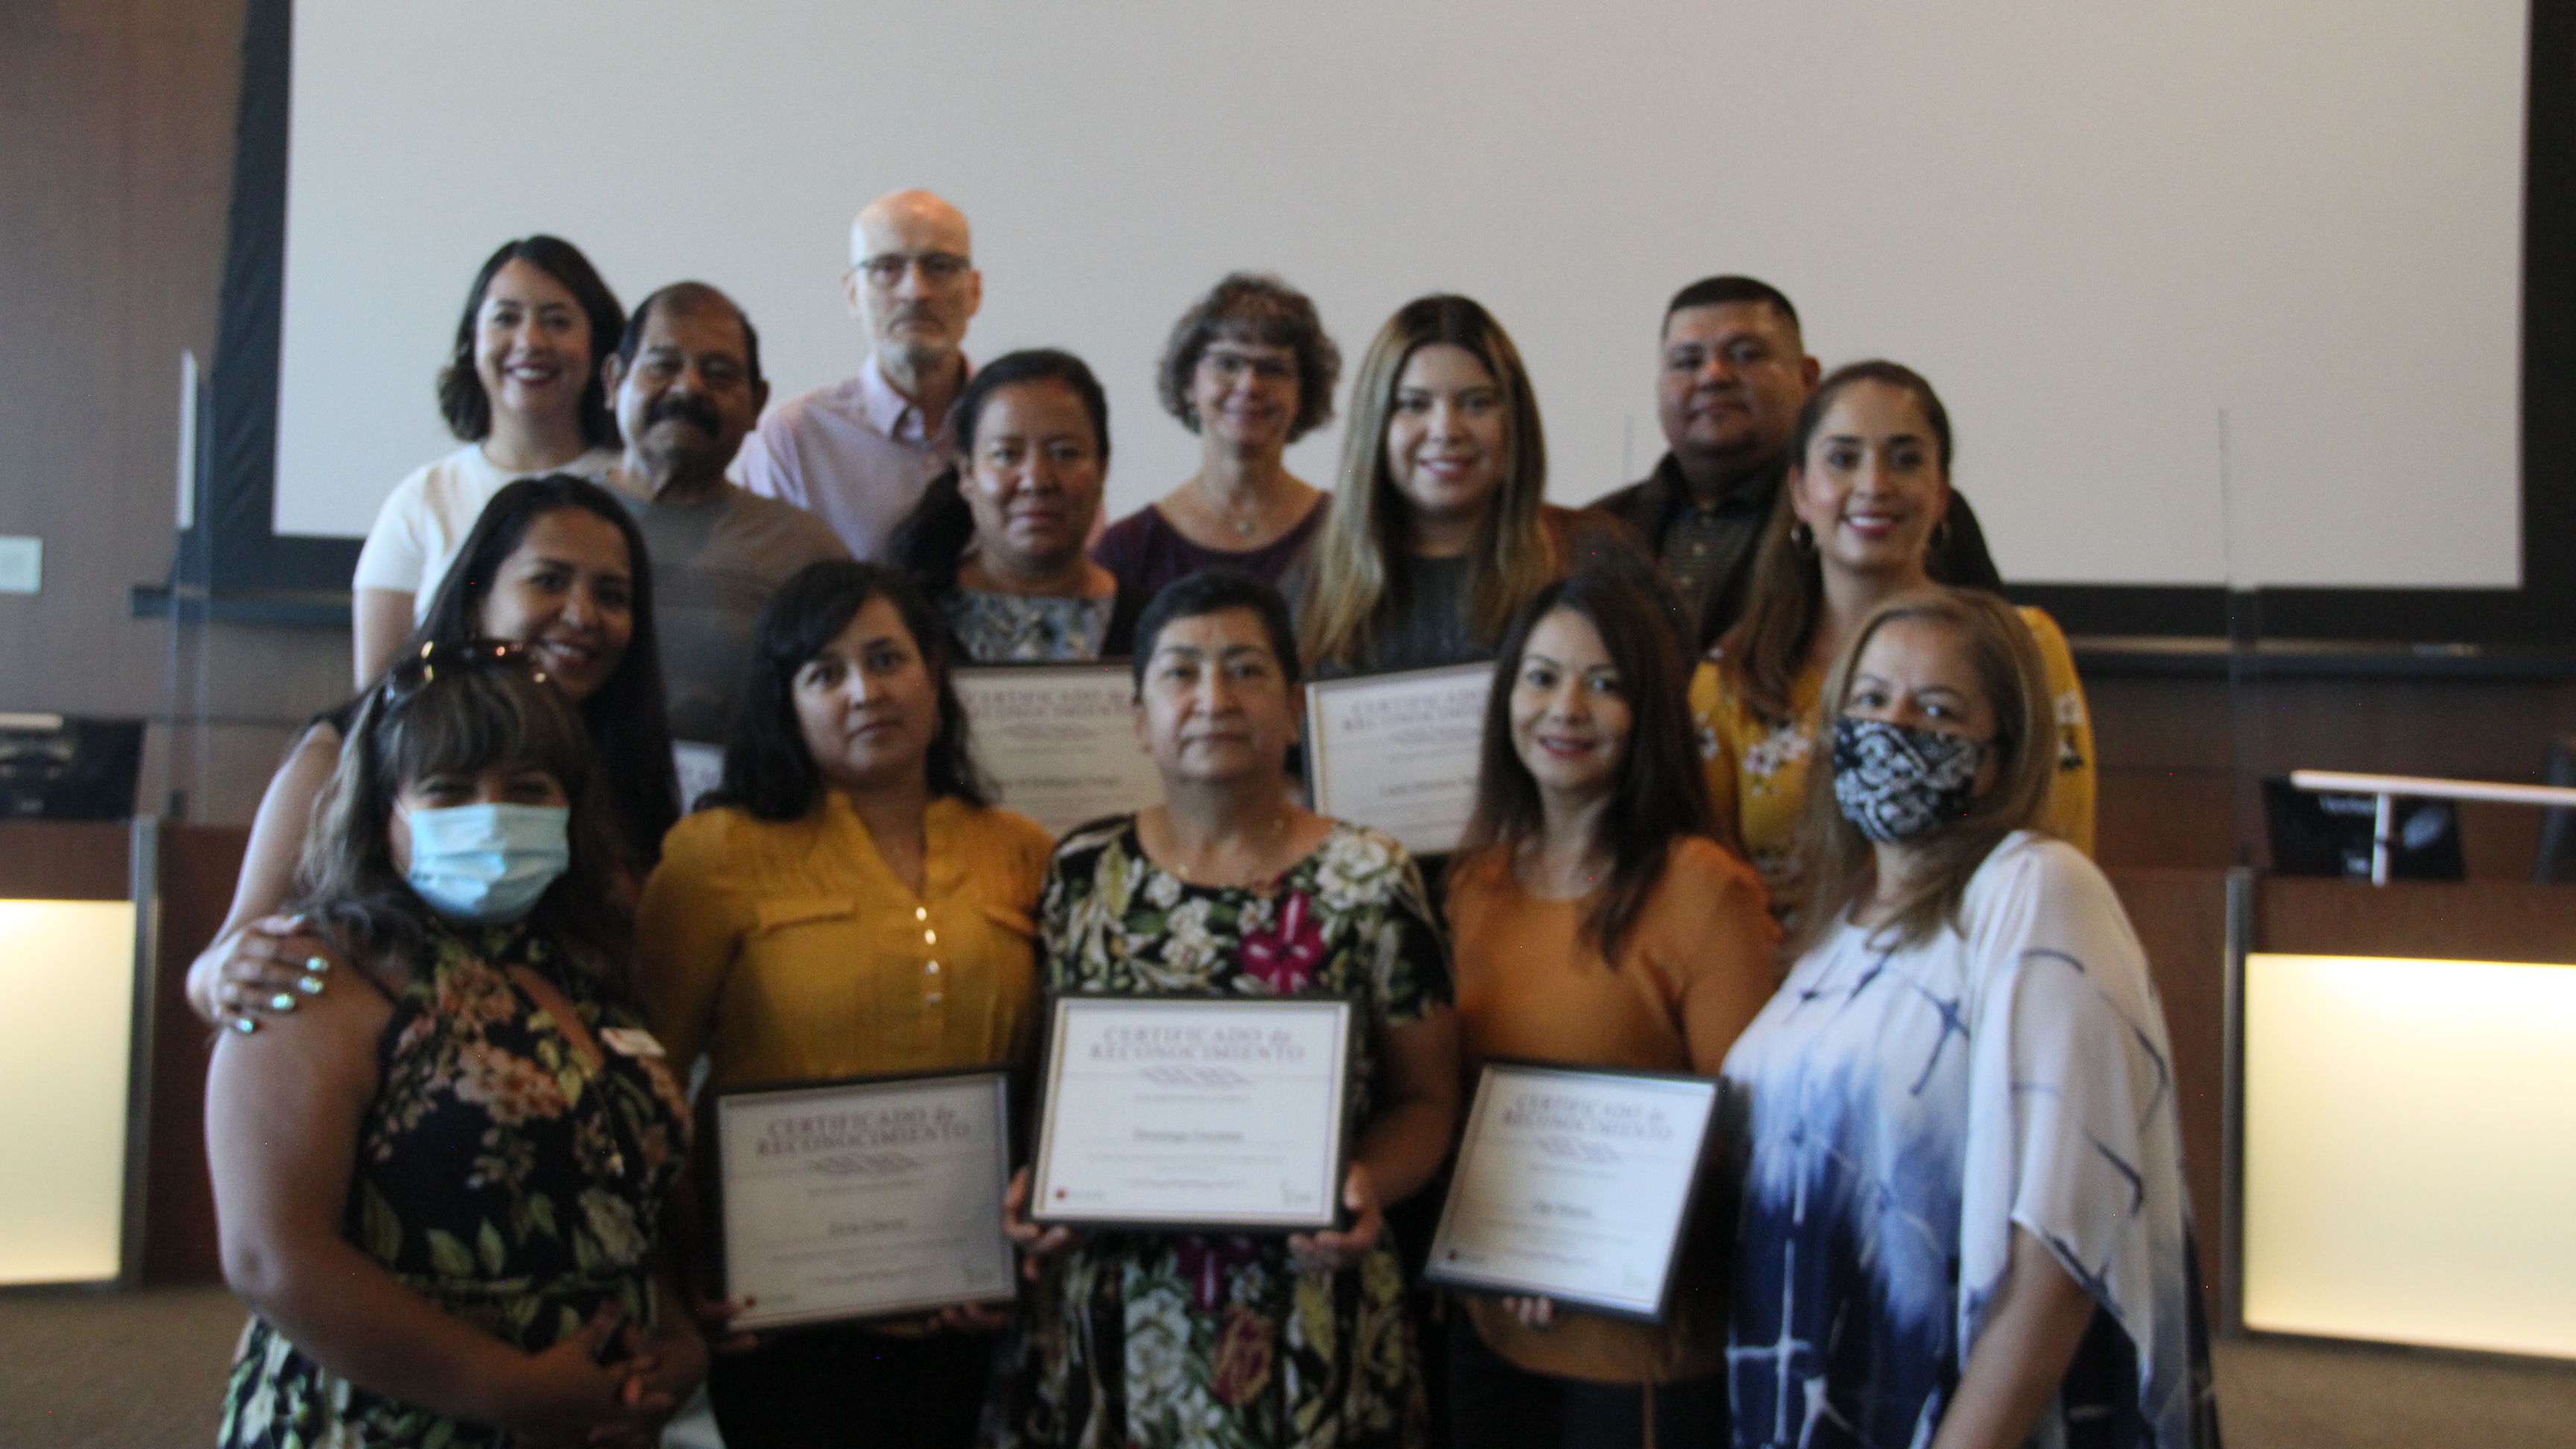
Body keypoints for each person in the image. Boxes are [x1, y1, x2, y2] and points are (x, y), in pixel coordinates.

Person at [1721, 587, 2221, 1449]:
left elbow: (2064, 1244)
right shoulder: (1834, 935)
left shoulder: (2037, 889)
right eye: (1870, 701)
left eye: (1938, 709)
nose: (1894, 726)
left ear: (2000, 754)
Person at [993, 569, 1459, 1449]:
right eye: (1180, 673)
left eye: (1245, 670)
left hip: (1304, 1300)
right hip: (1116, 1307)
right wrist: (1037, 1178)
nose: (1213, 698)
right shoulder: (1082, 872)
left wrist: (1362, 1184)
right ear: (1138, 718)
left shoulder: (1369, 877)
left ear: (1292, 708)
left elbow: (1427, 1102)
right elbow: (1055, 1085)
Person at [207, 643, 701, 1448]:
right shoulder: (314, 973)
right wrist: (506, 1387)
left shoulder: (592, 967)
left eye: (528, 789)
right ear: (382, 814)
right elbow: (271, 1257)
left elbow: (622, 1195)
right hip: (384, 1423)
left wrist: (675, 1345)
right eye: (449, 790)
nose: (493, 812)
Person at [634, 560, 1052, 1449]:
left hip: (975, 1302)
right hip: (785, 1314)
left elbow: (1054, 1081)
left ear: (934, 675)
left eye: (887, 659)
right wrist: (687, 1268)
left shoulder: (1021, 851)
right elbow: (648, 1092)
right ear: (784, 699)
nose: (865, 691)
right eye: (825, 673)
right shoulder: (716, 854)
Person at [1442, 569, 1779, 1448]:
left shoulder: (1707, 893)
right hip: (1486, 1333)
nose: (1566, 709)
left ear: (1651, 714)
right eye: (1542, 677)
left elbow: (1747, 1141)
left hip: (1643, 1361)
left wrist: (1575, 1250)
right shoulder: (1473, 887)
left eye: (1606, 684)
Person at [188, 475, 681, 1033]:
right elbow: (218, 969)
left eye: (612, 596)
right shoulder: (348, 752)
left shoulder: (623, 765)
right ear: (475, 598)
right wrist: (230, 974)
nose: (582, 615)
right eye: (549, 581)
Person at [1692, 361, 2093, 908]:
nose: (1875, 485)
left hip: (1972, 970)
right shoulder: (1730, 676)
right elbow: (1709, 894)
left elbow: (2057, 863)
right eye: (1843, 459)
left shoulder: (2025, 651)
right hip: (1783, 981)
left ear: (1941, 492)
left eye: (1905, 459)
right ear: (1801, 492)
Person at [1585, 277, 2001, 649]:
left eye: (1745, 355)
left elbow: (1986, 666)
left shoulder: (1879, 515)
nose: (1713, 375)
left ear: (1807, 378)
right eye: (1688, 362)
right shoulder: (1601, 528)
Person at [1294, 294, 1650, 679]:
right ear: (1375, 425)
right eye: (1415, 404)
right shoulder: (1311, 583)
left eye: (1476, 403)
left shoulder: (1599, 553)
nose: (1446, 430)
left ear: (1515, 419)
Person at [351, 236, 626, 684]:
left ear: (599, 347)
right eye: (506, 319)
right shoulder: (422, 500)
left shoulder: (632, 487)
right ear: (472, 342)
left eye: (557, 321)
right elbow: (377, 701)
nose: (530, 341)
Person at [602, 282, 848, 744]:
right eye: (663, 366)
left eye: (719, 374)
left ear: (757, 403)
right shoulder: (548, 524)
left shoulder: (804, 552)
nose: (688, 387)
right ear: (614, 382)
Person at [736, 189, 983, 562]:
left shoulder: (1024, 428)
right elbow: (765, 596)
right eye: (886, 268)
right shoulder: (792, 441)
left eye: (940, 266)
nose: (915, 292)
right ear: (852, 294)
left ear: (974, 292)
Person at [890, 349, 1147, 660]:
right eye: (1007, 455)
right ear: (966, 473)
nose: (1036, 481)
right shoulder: (906, 624)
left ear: (1102, 470)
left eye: (1064, 453)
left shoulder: (1155, 627)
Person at [1093, 273, 1339, 595]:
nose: (1249, 385)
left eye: (1273, 369)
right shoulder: (1130, 548)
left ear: (1303, 393)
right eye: (1227, 363)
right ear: (1188, 383)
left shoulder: (1346, 535)